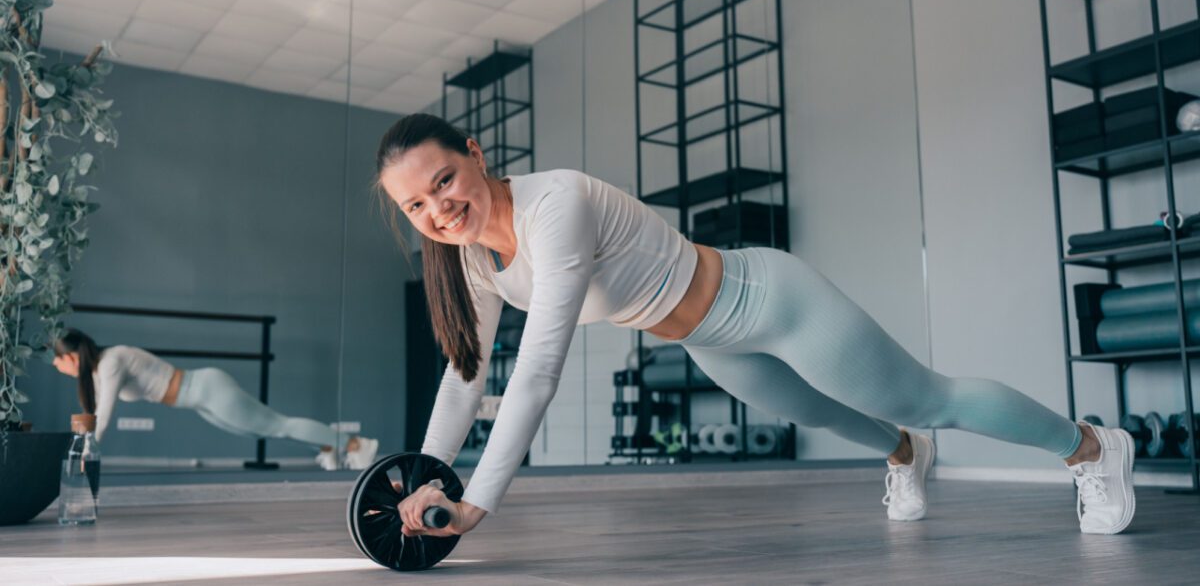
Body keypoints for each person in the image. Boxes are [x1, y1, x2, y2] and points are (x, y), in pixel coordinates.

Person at [377, 113, 1134, 539]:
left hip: (770, 299)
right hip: (710, 341)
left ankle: (1092, 446)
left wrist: (477, 499)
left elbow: (540, 368)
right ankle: (909, 456)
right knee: (828, 413)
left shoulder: (554, 205)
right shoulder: (475, 260)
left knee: (925, 397)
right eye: (417, 205)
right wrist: (425, 474)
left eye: (443, 180)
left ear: (475, 153)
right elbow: (465, 373)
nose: (439, 209)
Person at [51, 328, 378, 470]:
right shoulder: (99, 370)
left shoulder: (111, 362)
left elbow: (104, 414)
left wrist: (87, 453)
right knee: (261, 430)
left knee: (278, 425)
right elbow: (96, 410)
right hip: (199, 399)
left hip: (207, 389)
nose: (55, 365)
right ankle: (327, 446)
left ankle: (355, 445)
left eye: (57, 359)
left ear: (72, 357)